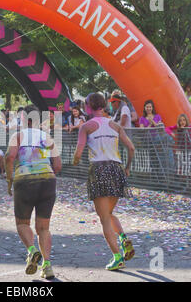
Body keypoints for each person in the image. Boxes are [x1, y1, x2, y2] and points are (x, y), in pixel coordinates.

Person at [73, 93, 135, 271]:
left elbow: (78, 153)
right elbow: (131, 147)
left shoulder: (86, 126)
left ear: (90, 106)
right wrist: (128, 167)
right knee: (109, 212)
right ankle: (123, 239)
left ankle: (117, 257)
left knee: (104, 217)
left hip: (99, 169)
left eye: (85, 104)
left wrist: (75, 162)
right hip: (116, 169)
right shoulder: (115, 125)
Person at [5, 104, 62, 280]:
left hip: (25, 180)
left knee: (22, 223)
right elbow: (58, 165)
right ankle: (47, 265)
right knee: (43, 227)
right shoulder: (47, 137)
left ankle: (32, 250)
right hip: (48, 180)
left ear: (24, 118)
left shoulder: (18, 136)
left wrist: (9, 179)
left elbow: (9, 157)